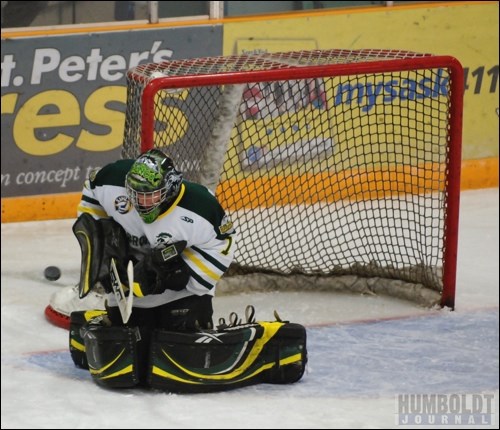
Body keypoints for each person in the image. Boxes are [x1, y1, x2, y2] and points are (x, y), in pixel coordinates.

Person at [70, 148, 236, 386]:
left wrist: (181, 276)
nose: (141, 203)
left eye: (150, 196)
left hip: (181, 291)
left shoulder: (199, 206)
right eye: (136, 195)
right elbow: (91, 198)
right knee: (130, 352)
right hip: (128, 284)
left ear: (168, 189)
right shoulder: (112, 179)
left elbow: (222, 243)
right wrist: (104, 251)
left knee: (176, 348)